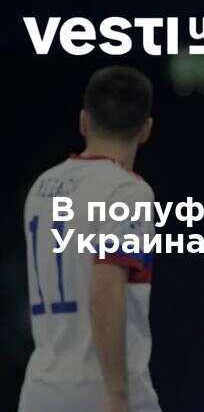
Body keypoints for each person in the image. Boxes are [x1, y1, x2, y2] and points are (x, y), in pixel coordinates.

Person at [19, 66, 160, 412]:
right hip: (100, 388)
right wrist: (117, 394)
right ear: (146, 130)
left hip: (39, 389)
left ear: (84, 121)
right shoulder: (128, 191)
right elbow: (104, 289)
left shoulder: (41, 187)